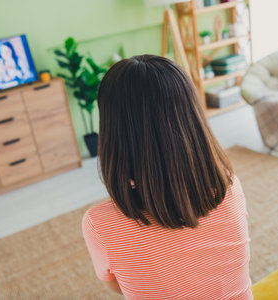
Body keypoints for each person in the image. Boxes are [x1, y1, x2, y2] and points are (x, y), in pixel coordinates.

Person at [82, 55, 252, 299]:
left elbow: (120, 287)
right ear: (192, 120)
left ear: (112, 131)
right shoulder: (230, 188)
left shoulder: (100, 224)